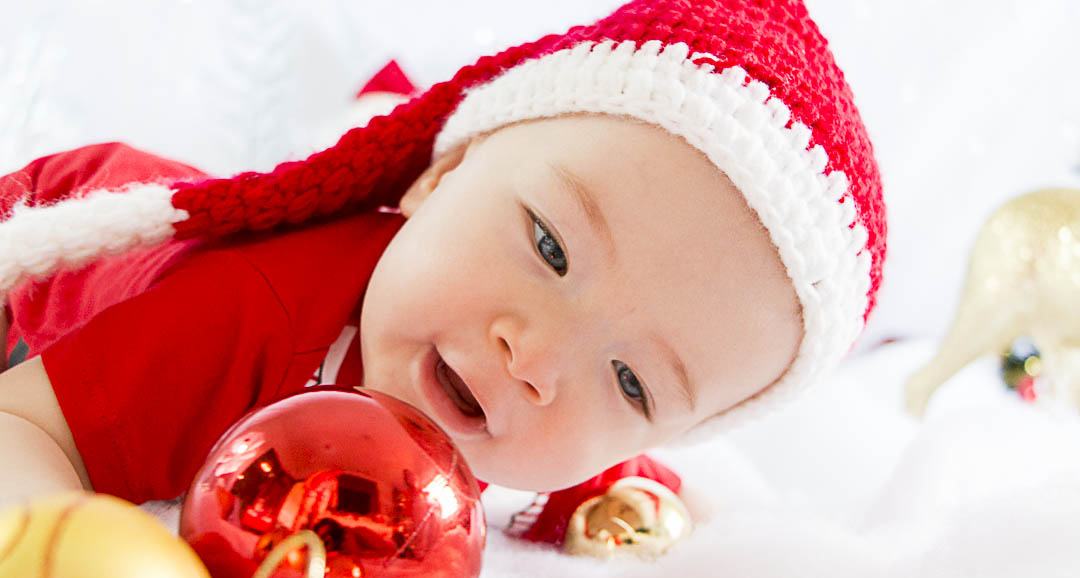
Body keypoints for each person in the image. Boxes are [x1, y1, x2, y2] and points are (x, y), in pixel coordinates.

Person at [0, 0, 886, 509]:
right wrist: (84, 557)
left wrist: (625, 501)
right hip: (42, 256)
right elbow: (22, 427)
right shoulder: (251, 309)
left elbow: (604, 464)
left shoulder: (532, 409)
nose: (534, 361)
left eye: (633, 384)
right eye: (549, 247)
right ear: (442, 174)